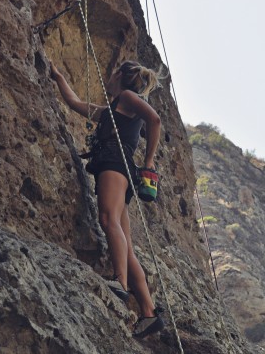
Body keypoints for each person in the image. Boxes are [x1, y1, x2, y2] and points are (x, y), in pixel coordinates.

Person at [50, 60, 165, 338]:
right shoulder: (112, 111)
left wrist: (149, 162)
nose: (108, 76)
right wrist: (58, 76)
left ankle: (120, 283)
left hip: (114, 162)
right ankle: (148, 313)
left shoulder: (127, 97)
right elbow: (75, 103)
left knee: (107, 218)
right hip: (119, 167)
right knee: (126, 246)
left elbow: (155, 120)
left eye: (113, 72)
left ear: (120, 77)